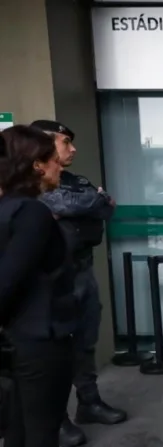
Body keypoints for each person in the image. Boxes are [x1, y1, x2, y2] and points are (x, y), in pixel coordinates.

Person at [29, 120, 125, 447]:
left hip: (82, 271)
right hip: (51, 278)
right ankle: (57, 419)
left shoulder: (73, 180)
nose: (73, 149)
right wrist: (89, 203)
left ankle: (89, 402)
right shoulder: (29, 182)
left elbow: (107, 206)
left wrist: (89, 204)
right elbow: (64, 204)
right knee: (56, 351)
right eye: (65, 142)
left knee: (85, 340)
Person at [0, 125, 77, 447]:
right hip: (39, 340)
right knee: (41, 433)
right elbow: (7, 280)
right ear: (37, 164)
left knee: (18, 431)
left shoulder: (7, 209)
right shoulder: (31, 213)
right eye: (53, 159)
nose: (61, 164)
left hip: (14, 339)